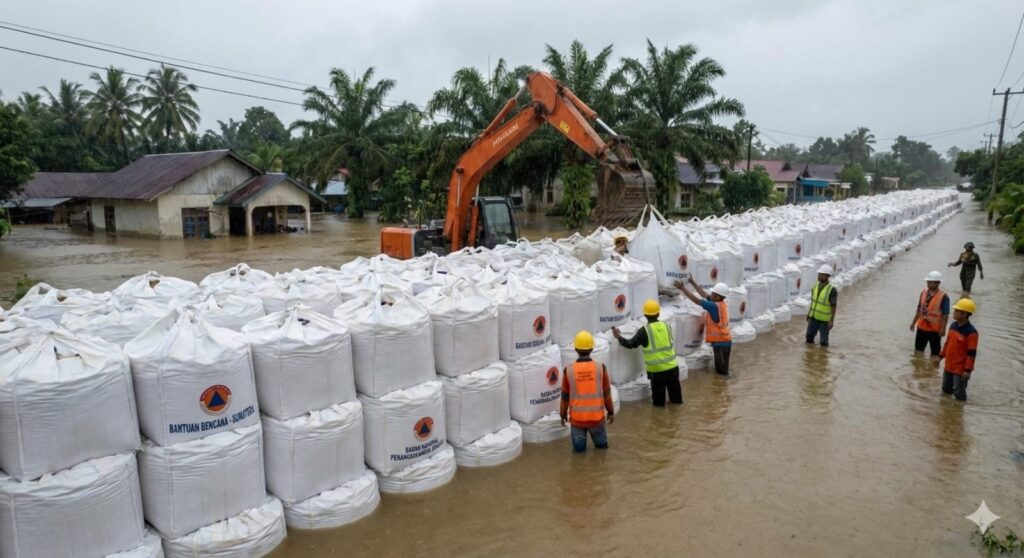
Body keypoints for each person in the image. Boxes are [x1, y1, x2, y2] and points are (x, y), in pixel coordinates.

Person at [612, 299, 682, 406]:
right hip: (673, 368)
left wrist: (618, 337)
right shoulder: (667, 326)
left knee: (659, 405)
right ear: (658, 313)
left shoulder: (644, 331)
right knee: (676, 402)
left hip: (657, 372)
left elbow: (631, 344)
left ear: (645, 315)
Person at [560, 331, 615, 452]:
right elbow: (607, 393)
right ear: (592, 348)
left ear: (575, 349)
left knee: (579, 453)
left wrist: (563, 414)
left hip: (577, 420)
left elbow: (564, 397)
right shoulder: (601, 367)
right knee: (602, 451)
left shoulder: (568, 370)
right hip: (596, 419)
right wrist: (610, 412)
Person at [674, 277, 733, 376]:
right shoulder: (719, 303)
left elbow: (696, 300)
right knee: (721, 369)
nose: (711, 294)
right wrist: (692, 282)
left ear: (717, 297)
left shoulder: (713, 306)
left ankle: (724, 389)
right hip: (722, 342)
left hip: (722, 343)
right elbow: (704, 294)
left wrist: (683, 288)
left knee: (722, 373)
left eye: (713, 293)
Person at [933, 298, 979, 401]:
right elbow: (947, 344)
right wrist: (940, 356)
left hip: (960, 370)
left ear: (964, 314)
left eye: (957, 311)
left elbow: (971, 353)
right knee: (945, 390)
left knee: (959, 394)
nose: (954, 313)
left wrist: (967, 370)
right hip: (949, 366)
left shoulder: (971, 332)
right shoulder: (953, 326)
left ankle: (959, 412)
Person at [909, 270, 950, 356]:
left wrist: (943, 329)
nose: (932, 285)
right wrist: (913, 323)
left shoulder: (944, 296)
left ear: (938, 283)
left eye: (934, 283)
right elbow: (919, 309)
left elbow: (945, 315)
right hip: (922, 326)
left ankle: (932, 368)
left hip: (934, 329)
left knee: (935, 353)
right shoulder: (923, 292)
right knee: (918, 350)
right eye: (930, 282)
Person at [806, 264, 837, 347]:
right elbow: (813, 302)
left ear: (827, 276)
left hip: (824, 321)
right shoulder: (815, 287)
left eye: (821, 274)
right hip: (813, 318)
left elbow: (833, 306)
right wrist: (809, 314)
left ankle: (823, 357)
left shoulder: (832, 290)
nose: (819, 276)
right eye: (819, 274)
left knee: (823, 342)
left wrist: (831, 321)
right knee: (809, 338)